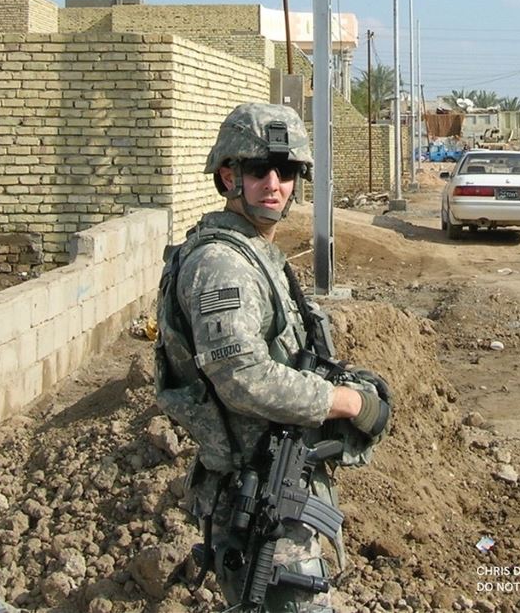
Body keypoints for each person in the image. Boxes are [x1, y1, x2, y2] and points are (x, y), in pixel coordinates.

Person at [154, 103, 391, 612]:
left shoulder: (255, 253)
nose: (274, 184)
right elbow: (242, 378)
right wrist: (345, 402)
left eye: (285, 172)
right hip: (256, 497)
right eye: (259, 171)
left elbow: (287, 355)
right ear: (228, 176)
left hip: (274, 481)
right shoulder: (222, 265)